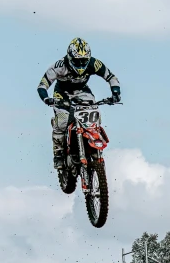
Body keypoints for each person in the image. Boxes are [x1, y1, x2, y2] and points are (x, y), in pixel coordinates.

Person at [37, 37, 121, 169]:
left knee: (94, 111)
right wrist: (46, 98)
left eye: (84, 61)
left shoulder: (94, 63)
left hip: (82, 92)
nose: (81, 65)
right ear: (70, 57)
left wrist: (115, 92)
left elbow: (111, 77)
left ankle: (93, 139)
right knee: (62, 121)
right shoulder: (59, 66)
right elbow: (42, 85)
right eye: (77, 61)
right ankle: (58, 154)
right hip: (62, 93)